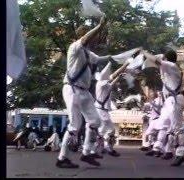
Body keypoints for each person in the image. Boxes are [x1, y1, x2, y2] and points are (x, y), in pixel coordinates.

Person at [56, 15, 111, 168]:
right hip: (72, 89)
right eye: (90, 36)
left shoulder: (88, 53)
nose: (93, 39)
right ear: (83, 36)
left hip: (85, 92)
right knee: (75, 125)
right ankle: (62, 158)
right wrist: (99, 27)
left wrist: (117, 58)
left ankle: (86, 152)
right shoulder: (74, 47)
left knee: (95, 121)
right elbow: (86, 39)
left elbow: (100, 59)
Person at [141, 49, 184, 166]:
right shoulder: (169, 69)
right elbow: (158, 62)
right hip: (170, 100)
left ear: (167, 59)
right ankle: (164, 149)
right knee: (164, 124)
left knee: (177, 127)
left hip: (175, 99)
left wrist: (143, 52)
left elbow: (156, 61)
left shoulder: (171, 65)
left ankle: (182, 153)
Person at [91, 53, 141, 158]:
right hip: (101, 110)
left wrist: (118, 77)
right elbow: (113, 76)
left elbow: (112, 83)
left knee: (103, 131)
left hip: (101, 110)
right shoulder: (101, 83)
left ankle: (95, 150)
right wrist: (125, 65)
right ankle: (107, 148)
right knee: (110, 130)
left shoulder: (104, 84)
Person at [162, 90, 184, 162]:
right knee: (171, 132)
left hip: (174, 100)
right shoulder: (171, 99)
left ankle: (181, 154)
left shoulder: (178, 98)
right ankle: (170, 152)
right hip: (173, 101)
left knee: (178, 130)